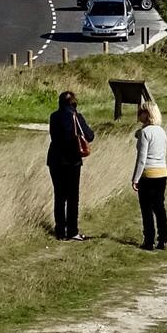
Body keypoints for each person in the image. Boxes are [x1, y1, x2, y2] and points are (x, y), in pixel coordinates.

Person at [46, 91, 95, 241]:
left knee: (59, 196)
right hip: (72, 161)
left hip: (55, 160)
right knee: (73, 197)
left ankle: (60, 231)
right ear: (74, 103)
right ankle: (72, 230)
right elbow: (90, 135)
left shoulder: (54, 116)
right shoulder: (77, 117)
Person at [132, 102, 167, 250]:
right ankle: (163, 239)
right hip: (162, 172)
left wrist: (135, 178)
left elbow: (142, 158)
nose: (138, 114)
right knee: (160, 207)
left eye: (141, 112)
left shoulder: (145, 133)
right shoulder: (161, 131)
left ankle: (149, 240)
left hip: (148, 174)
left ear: (147, 114)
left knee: (146, 209)